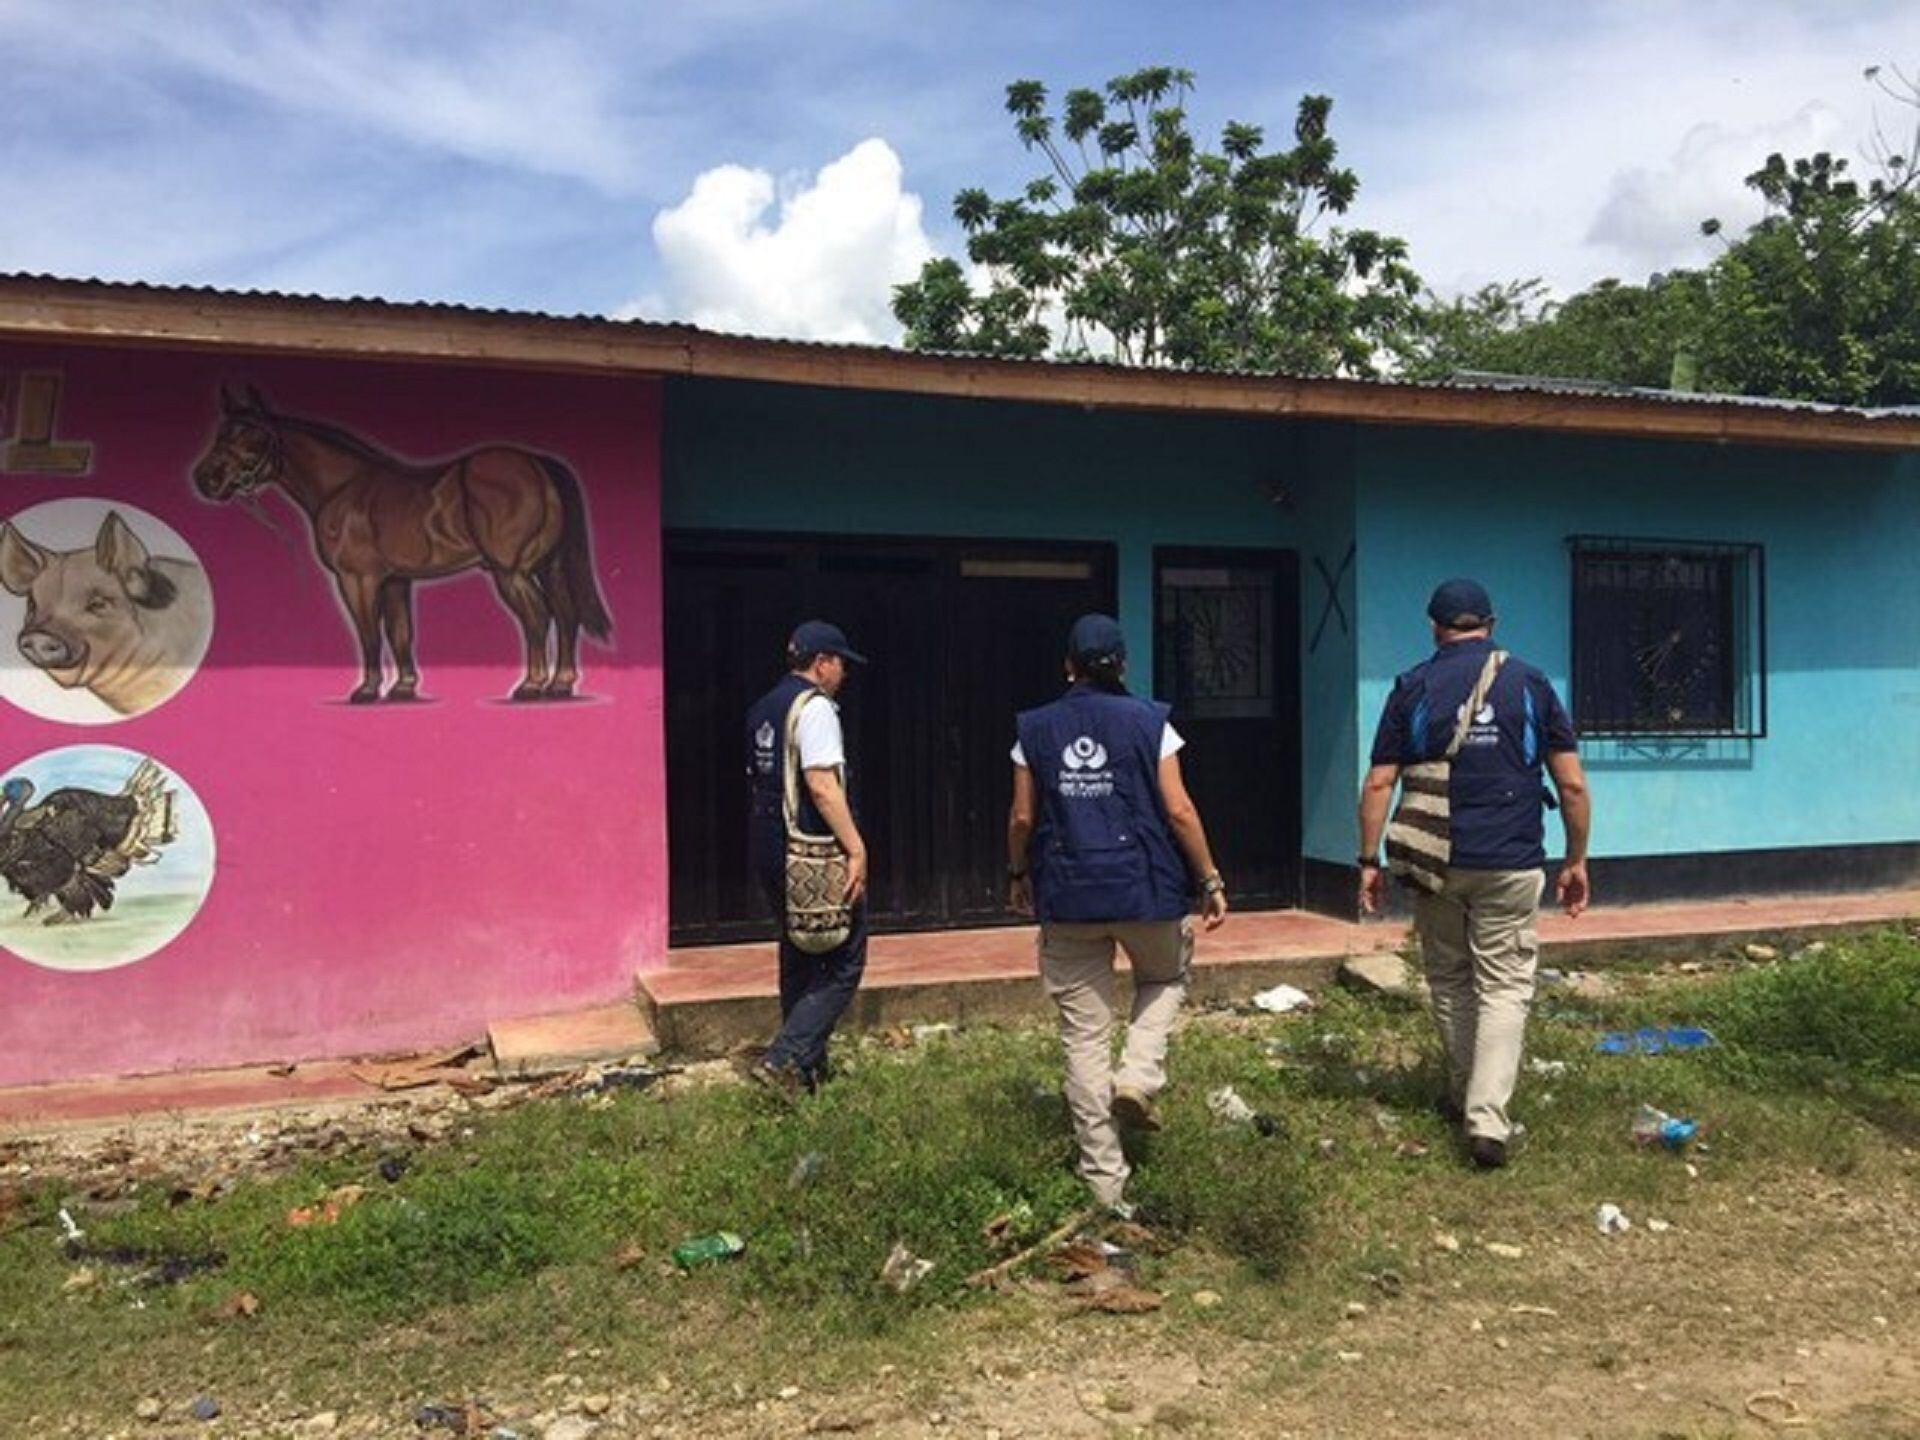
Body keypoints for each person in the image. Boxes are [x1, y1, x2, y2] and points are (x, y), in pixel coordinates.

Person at [1357, 578, 1591, 1169]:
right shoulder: (1531, 683)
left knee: (1451, 977)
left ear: (1435, 626)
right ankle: (1486, 1119)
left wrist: (1368, 861)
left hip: (1434, 857)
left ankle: (1467, 1097)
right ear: (1492, 621)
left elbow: (1381, 781)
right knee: (1505, 985)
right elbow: (1570, 783)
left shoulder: (1413, 686)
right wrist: (1577, 858)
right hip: (1512, 859)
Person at [1007, 613, 1229, 1214]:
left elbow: (1023, 818)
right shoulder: (1152, 722)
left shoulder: (1034, 729)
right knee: (1164, 977)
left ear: (1068, 666)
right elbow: (1179, 810)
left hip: (1068, 895)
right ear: (1123, 666)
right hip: (1145, 890)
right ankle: (1137, 1075)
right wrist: (1208, 877)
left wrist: (1017, 874)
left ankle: (1105, 1182)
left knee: (1083, 1037)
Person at [744, 619, 870, 1098]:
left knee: (799, 952)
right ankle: (785, 1059)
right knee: (844, 959)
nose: (844, 674)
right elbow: (821, 784)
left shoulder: (763, 708)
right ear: (821, 664)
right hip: (811, 852)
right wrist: (855, 847)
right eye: (840, 663)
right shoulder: (815, 708)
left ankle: (806, 1073)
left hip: (770, 845)